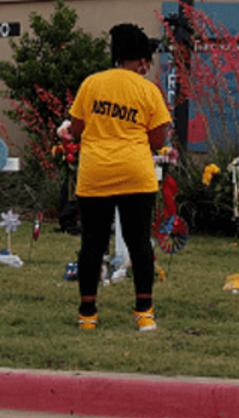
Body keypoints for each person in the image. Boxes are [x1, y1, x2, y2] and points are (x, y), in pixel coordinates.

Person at [68, 23, 171, 331]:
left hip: (95, 173)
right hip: (135, 174)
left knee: (92, 244)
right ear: (140, 60)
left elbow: (76, 130)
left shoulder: (91, 84)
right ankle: (144, 313)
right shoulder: (148, 90)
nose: (147, 67)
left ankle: (87, 314)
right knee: (138, 242)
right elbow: (158, 139)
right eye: (147, 62)